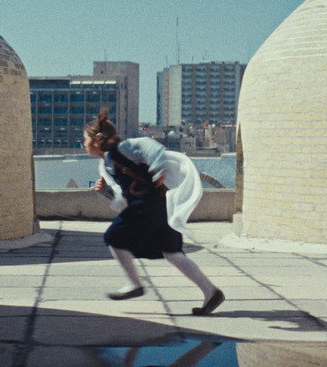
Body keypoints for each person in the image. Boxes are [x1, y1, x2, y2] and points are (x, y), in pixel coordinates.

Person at [84, 109, 224, 315]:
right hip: (155, 207)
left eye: (85, 139)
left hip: (148, 206)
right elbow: (121, 197)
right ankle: (211, 292)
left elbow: (151, 146)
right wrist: (105, 191)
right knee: (172, 253)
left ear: (96, 141)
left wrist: (159, 172)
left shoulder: (123, 148)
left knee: (114, 236)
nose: (84, 143)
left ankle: (135, 284)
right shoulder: (106, 164)